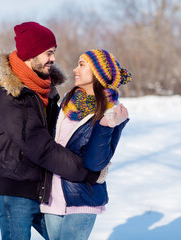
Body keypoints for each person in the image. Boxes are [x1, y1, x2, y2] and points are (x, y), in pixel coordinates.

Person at [0, 22, 102, 240]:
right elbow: (42, 148)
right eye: (49, 52)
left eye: (54, 52)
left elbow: (60, 134)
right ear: (31, 54)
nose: (53, 58)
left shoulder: (44, 89)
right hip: (14, 189)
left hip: (41, 186)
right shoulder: (10, 97)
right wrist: (86, 173)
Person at [40, 49, 132, 240]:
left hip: (82, 196)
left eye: (82, 65)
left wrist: (106, 126)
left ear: (98, 73)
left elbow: (95, 163)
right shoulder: (67, 101)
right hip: (52, 195)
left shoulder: (112, 112)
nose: (75, 69)